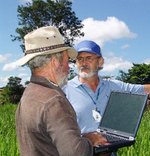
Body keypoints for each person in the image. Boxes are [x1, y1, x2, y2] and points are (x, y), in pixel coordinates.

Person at [63, 40, 150, 135]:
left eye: (88, 58)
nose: (83, 63)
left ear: (100, 62)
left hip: (109, 150)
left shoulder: (113, 86)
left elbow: (147, 90)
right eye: (79, 59)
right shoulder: (64, 90)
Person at [15, 26, 109, 156]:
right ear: (54, 62)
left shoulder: (29, 93)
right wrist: (90, 139)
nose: (68, 67)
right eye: (66, 60)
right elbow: (76, 153)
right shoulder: (54, 101)